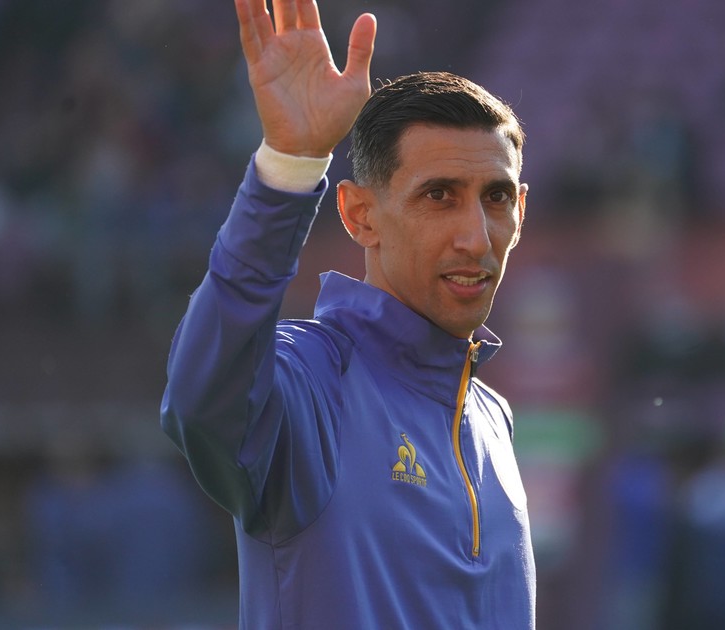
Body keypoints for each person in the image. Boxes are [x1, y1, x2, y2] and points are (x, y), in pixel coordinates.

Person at [159, 0, 534, 628]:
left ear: (519, 211)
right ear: (360, 216)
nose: (476, 237)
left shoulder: (491, 416)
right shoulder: (313, 381)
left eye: (495, 198)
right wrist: (288, 167)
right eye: (438, 196)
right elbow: (201, 398)